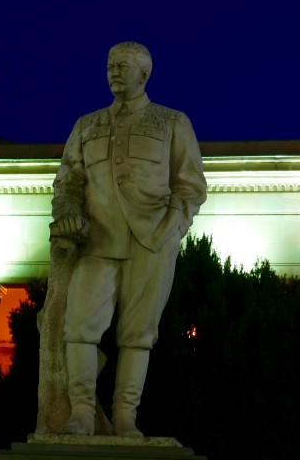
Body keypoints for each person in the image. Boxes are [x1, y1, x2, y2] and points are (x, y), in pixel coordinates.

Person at [50, 41, 207, 437]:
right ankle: (82, 412)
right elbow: (67, 182)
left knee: (138, 333)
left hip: (151, 242)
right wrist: (68, 213)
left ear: (144, 73)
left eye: (123, 65)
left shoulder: (172, 122)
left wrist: (172, 230)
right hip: (96, 242)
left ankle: (125, 416)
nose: (114, 72)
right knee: (79, 326)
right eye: (109, 65)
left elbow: (191, 186)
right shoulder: (85, 126)